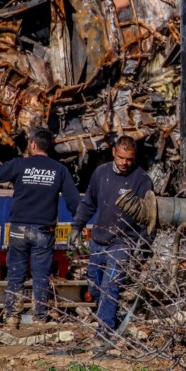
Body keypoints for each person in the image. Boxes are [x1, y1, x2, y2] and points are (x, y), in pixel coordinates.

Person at [0, 126, 81, 327]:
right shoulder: (59, 170)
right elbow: (74, 202)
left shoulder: (20, 164)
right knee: (41, 276)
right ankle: (40, 319)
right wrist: (79, 225)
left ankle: (12, 317)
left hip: (19, 230)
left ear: (33, 144)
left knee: (16, 273)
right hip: (44, 231)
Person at [68, 136, 152, 332]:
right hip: (98, 240)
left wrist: (145, 246)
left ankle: (105, 332)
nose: (124, 163)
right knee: (94, 288)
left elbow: (149, 218)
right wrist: (76, 226)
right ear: (114, 152)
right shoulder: (101, 173)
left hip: (123, 243)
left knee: (109, 287)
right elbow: (88, 204)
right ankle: (110, 318)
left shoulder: (142, 179)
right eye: (121, 157)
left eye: (129, 159)